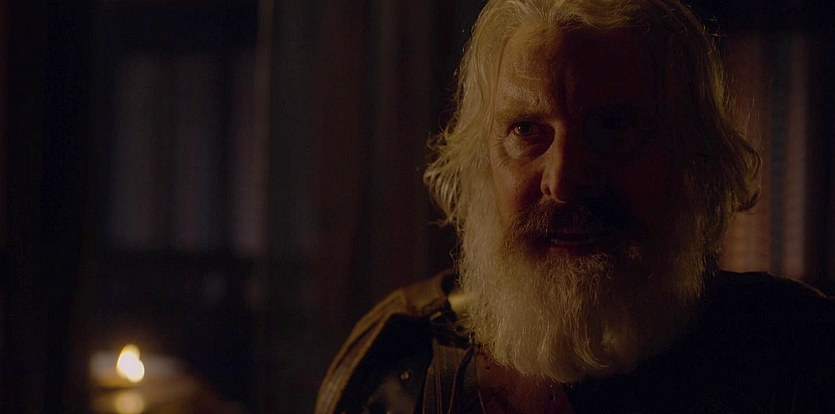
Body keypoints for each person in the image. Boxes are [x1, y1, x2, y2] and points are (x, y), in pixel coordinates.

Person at [316, 0, 835, 412]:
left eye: (613, 126)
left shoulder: (798, 353)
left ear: (692, 156)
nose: (562, 182)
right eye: (526, 130)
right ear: (482, 161)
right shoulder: (400, 369)